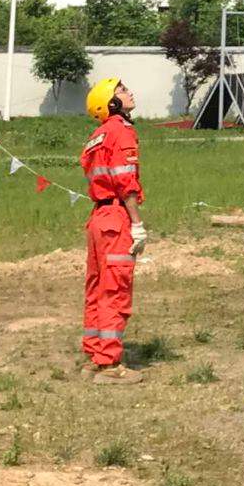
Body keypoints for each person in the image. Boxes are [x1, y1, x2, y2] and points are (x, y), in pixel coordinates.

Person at [81, 76, 145, 381]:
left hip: (98, 218)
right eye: (122, 90)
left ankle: (94, 353)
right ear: (112, 103)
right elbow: (125, 181)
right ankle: (109, 364)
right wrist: (137, 223)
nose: (130, 91)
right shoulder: (121, 133)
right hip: (116, 219)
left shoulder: (97, 136)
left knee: (96, 287)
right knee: (115, 288)